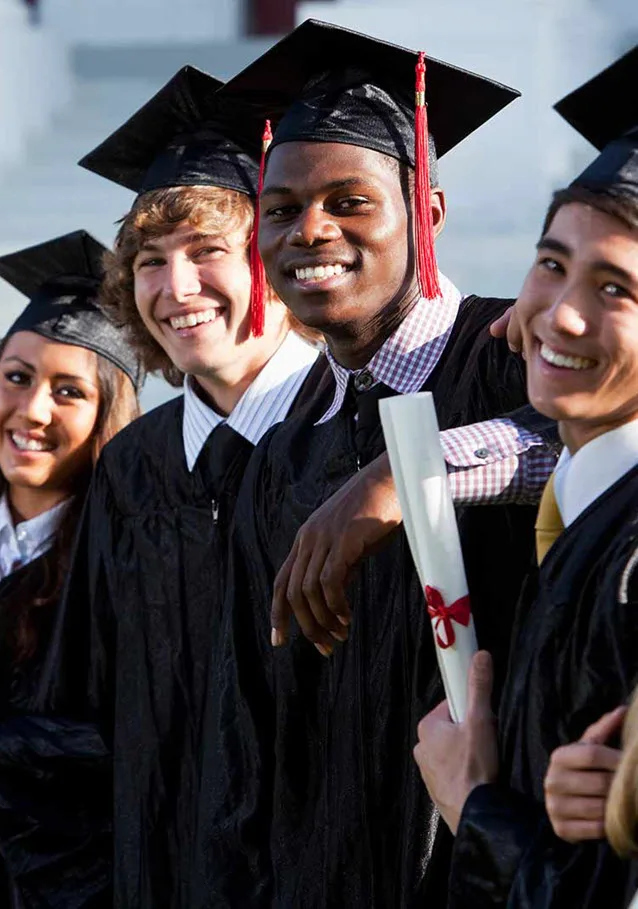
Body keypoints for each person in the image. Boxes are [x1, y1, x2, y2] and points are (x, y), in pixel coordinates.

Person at [197, 20, 557, 908]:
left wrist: (410, 472)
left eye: (349, 201)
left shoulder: (519, 350)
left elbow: (596, 448)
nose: (310, 230)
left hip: (494, 869)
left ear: (425, 213)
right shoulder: (281, 451)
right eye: (281, 210)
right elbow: (247, 736)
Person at [38, 66, 328, 909]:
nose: (176, 288)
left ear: (276, 258)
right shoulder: (134, 468)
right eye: (152, 262)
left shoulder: (359, 443)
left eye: (208, 252)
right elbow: (83, 709)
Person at [414, 43, 638, 908]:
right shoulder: (583, 510)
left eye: (615, 288)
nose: (561, 312)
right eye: (552, 263)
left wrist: (474, 803)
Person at [0, 229, 141, 906]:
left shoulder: (127, 569)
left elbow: (123, 751)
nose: (33, 410)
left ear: (108, 419)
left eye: (69, 390)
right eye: (16, 377)